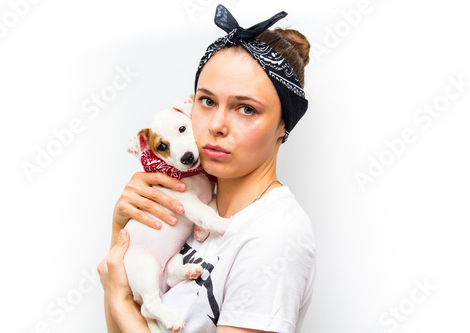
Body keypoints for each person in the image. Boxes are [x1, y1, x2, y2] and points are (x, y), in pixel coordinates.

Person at [98, 4, 316, 333]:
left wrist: (119, 299)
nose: (216, 125)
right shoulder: (185, 209)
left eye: (246, 108)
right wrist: (123, 238)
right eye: (208, 101)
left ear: (284, 125)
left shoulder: (275, 238)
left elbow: (125, 315)